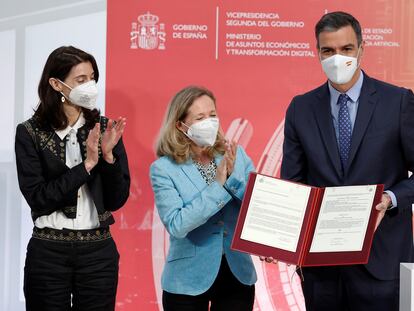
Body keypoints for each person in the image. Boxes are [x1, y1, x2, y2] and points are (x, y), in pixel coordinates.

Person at [279, 11, 414, 311]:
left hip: (384, 262)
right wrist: (274, 234)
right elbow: (292, 184)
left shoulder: (399, 102)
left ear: (362, 49)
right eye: (328, 51)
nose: (337, 58)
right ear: (317, 53)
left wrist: (391, 199)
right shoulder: (300, 109)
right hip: (321, 268)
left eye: (346, 49)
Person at [15, 46, 130, 311]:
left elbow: (117, 199)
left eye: (92, 78)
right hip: (48, 251)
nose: (90, 86)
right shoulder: (30, 133)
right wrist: (87, 164)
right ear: (56, 83)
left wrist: (109, 156)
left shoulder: (105, 128)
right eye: (81, 80)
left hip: (98, 252)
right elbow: (39, 198)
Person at [150, 86, 257, 310]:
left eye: (212, 115)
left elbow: (256, 206)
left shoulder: (237, 155)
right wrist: (219, 186)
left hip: (237, 273)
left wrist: (272, 244)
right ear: (180, 125)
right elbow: (177, 225)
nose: (209, 122)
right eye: (200, 117)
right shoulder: (163, 169)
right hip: (186, 280)